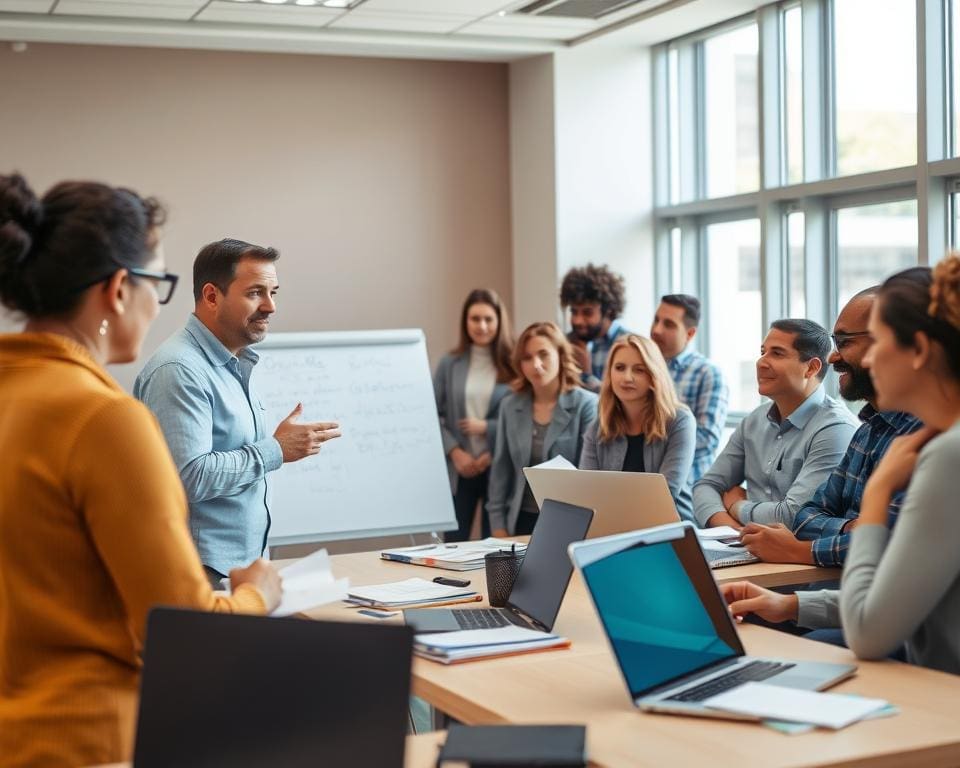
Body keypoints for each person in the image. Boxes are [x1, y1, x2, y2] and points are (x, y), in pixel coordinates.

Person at [0, 173, 281, 768]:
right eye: (160, 282)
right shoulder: (104, 418)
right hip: (82, 740)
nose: (159, 303)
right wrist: (257, 595)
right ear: (120, 288)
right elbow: (183, 632)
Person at [722, 257, 960, 674]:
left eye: (879, 343)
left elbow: (870, 632)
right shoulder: (924, 440)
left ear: (919, 350)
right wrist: (792, 604)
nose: (850, 361)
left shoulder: (947, 454)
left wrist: (877, 495)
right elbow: (898, 591)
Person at [135, 239, 341, 585]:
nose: (270, 306)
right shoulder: (179, 369)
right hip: (200, 574)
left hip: (240, 572)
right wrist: (275, 450)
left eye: (274, 292)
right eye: (256, 293)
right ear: (212, 296)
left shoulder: (233, 363)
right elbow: (188, 479)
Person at [740, 288, 921, 565]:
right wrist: (852, 528)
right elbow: (806, 516)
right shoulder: (868, 431)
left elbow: (890, 547)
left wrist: (803, 549)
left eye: (845, 342)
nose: (832, 358)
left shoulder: (925, 437)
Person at [693, 319, 858, 529]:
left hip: (797, 560)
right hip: (743, 545)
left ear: (811, 368)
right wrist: (732, 532)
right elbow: (706, 486)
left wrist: (736, 505)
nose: (761, 362)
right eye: (763, 352)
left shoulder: (836, 429)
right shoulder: (754, 420)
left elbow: (794, 516)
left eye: (777, 353)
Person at [487, 322, 598, 536]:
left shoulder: (586, 405)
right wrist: (498, 526)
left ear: (560, 355)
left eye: (543, 354)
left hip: (570, 520)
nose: (536, 365)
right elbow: (501, 470)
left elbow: (590, 476)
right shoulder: (510, 406)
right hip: (519, 519)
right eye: (527, 358)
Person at [579, 334, 696, 520]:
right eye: (619, 368)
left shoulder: (679, 421)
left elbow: (666, 493)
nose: (627, 377)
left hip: (669, 530)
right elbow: (587, 492)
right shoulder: (598, 428)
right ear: (610, 374)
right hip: (610, 529)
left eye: (639, 370)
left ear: (653, 375)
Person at [434, 288, 515, 541]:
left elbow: (520, 419)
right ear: (465, 322)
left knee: (497, 549)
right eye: (475, 319)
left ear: (499, 321)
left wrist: (487, 429)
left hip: (498, 465)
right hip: (461, 469)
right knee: (453, 545)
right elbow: (432, 415)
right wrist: (455, 453)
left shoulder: (514, 363)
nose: (482, 326)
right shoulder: (450, 363)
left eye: (488, 319)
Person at [650, 294, 728, 483]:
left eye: (668, 324)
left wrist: (647, 445)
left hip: (689, 488)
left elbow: (706, 439)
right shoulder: (644, 368)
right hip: (644, 481)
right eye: (656, 320)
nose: (656, 329)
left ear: (690, 333)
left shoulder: (708, 374)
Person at [559, 263, 630, 392]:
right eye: (574, 312)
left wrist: (586, 374)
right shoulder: (563, 343)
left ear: (608, 310)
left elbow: (623, 402)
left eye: (587, 313)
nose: (578, 321)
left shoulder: (628, 345)